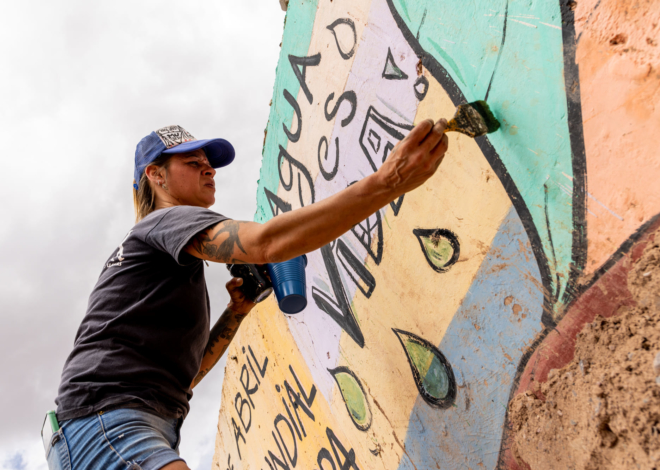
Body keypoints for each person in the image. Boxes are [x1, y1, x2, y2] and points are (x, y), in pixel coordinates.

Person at [47, 120, 448, 470]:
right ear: (156, 175)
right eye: (193, 163)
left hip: (114, 421)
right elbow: (267, 242)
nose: (209, 169)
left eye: (210, 163)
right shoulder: (167, 220)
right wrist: (386, 183)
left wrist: (237, 311)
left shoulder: (158, 254)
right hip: (109, 420)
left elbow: (188, 376)